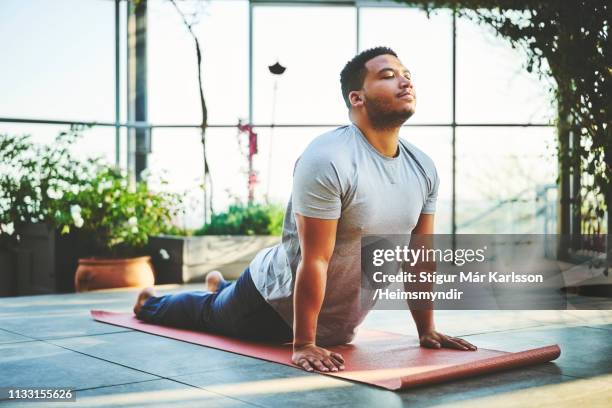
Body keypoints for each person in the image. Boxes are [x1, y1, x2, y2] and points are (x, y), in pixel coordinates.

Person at [133, 46, 477, 374]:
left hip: (337, 321)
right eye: (388, 75)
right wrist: (303, 343)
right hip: (271, 304)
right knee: (209, 314)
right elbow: (315, 258)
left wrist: (426, 330)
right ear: (356, 98)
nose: (405, 81)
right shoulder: (328, 157)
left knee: (222, 299)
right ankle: (152, 302)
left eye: (407, 74)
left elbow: (419, 256)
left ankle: (220, 286)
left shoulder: (423, 167)